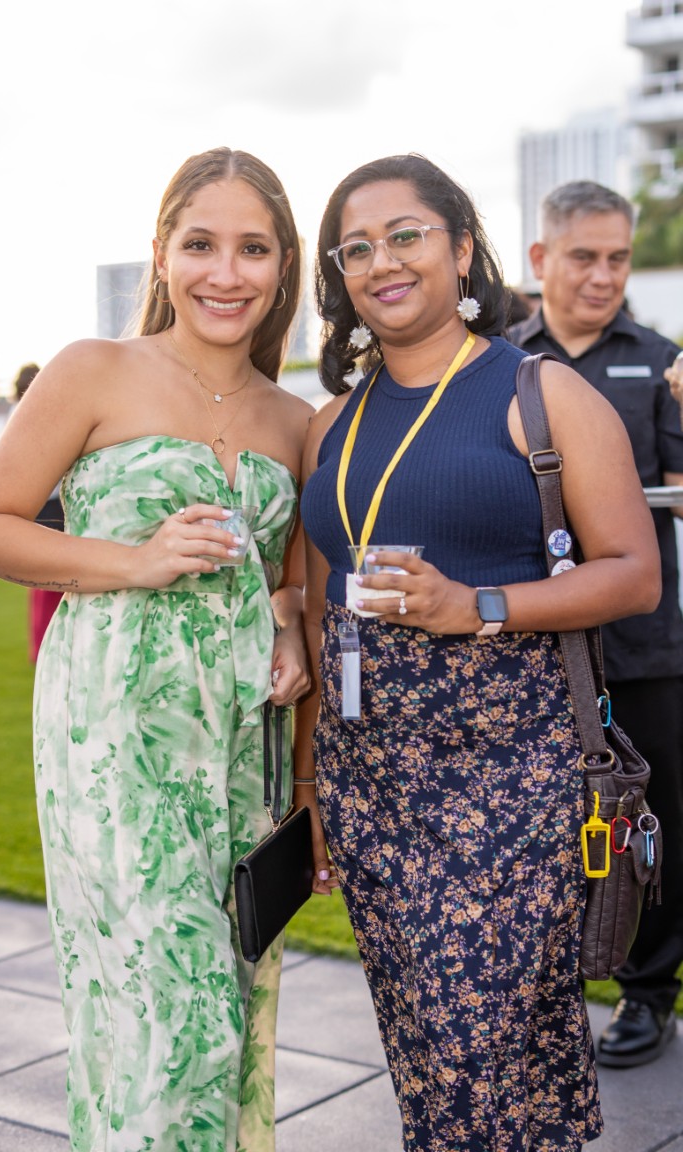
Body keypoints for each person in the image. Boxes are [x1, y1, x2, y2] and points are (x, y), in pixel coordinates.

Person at [293, 153, 661, 1152]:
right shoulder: (331, 425)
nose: (382, 261)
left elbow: (635, 573)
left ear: (461, 249)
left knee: (474, 1048)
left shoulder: (543, 393)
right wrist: (313, 787)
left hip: (507, 777)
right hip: (370, 782)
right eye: (356, 248)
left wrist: (476, 607)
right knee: (429, 1048)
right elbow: (323, 612)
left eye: (405, 235)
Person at [0, 146, 314, 1152]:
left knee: (231, 995)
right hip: (115, 733)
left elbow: (292, 583)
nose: (225, 274)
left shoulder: (298, 419)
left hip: (241, 743)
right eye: (201, 245)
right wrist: (136, 561)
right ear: (161, 253)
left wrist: (289, 623)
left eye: (253, 249)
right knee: (166, 1013)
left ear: (283, 266)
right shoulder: (93, 371)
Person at [509, 180, 683, 1070]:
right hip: (530, 644)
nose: (605, 275)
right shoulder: (496, 362)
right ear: (541, 259)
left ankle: (649, 994)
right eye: (585, 256)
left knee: (651, 825)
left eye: (619, 258)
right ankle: (546, 994)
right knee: (541, 827)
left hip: (644, 647)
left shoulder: (661, 363)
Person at [11, 362, 66, 660]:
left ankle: (40, 644)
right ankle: (46, 644)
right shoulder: (35, 414)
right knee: (52, 579)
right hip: (50, 503)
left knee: (40, 582)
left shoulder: (15, 414)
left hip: (38, 504)